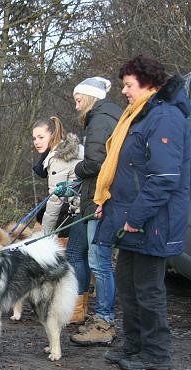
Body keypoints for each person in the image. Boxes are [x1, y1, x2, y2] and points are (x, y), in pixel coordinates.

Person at [94, 55, 191, 370]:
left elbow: (163, 179)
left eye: (128, 85)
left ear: (149, 84)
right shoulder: (138, 116)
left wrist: (134, 219)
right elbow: (127, 171)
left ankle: (156, 353)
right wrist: (105, 201)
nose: (124, 91)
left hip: (153, 221)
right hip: (129, 218)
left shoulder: (165, 118)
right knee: (127, 284)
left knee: (149, 290)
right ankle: (133, 345)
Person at [66, 78, 122, 342]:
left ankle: (104, 322)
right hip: (99, 197)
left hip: (100, 201)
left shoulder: (99, 120)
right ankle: (99, 318)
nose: (76, 104)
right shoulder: (109, 116)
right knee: (98, 262)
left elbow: (96, 162)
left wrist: (77, 169)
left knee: (99, 263)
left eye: (79, 99)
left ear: (90, 97)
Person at [31, 116, 82, 236]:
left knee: (73, 253)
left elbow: (55, 201)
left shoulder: (58, 158)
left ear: (53, 135)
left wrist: (44, 235)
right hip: (82, 207)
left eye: (41, 137)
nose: (36, 142)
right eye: (34, 138)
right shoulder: (68, 150)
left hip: (82, 212)